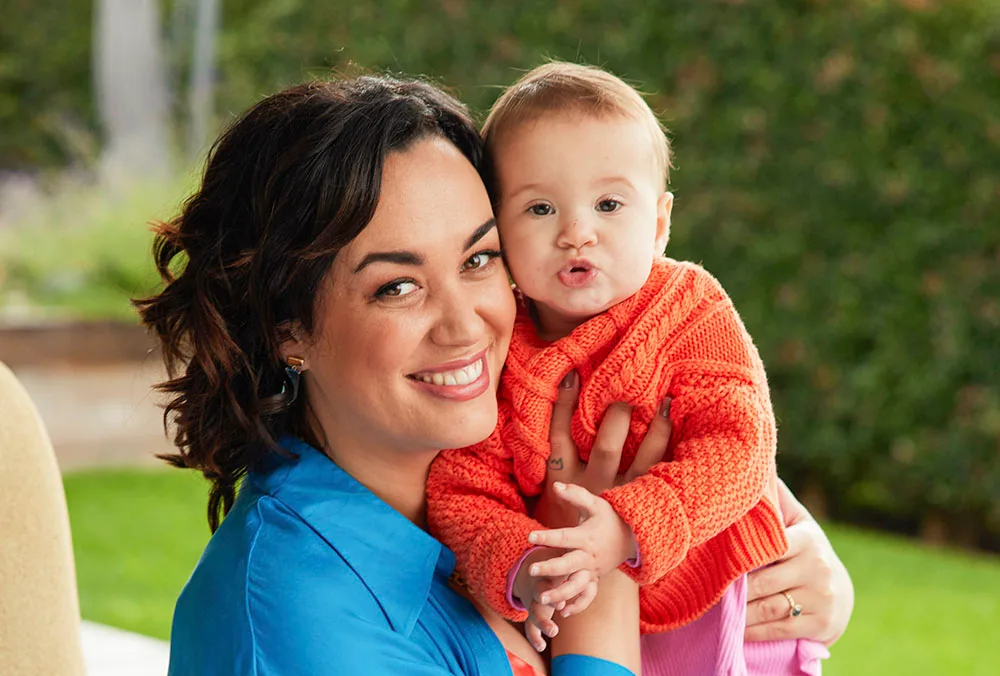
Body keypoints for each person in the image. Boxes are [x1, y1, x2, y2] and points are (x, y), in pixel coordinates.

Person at [137, 73, 852, 676]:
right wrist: (595, 581)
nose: (467, 324)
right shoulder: (300, 618)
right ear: (287, 328)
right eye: (397, 286)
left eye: (479, 260)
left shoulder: (478, 466)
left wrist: (799, 578)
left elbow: (735, 471)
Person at [425, 62, 824, 675]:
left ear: (660, 223)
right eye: (540, 209)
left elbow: (740, 441)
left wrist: (629, 525)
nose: (577, 232)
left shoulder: (687, 307)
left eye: (609, 203)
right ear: (498, 232)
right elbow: (462, 488)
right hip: (582, 610)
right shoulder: (495, 346)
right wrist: (522, 563)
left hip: (728, 598)